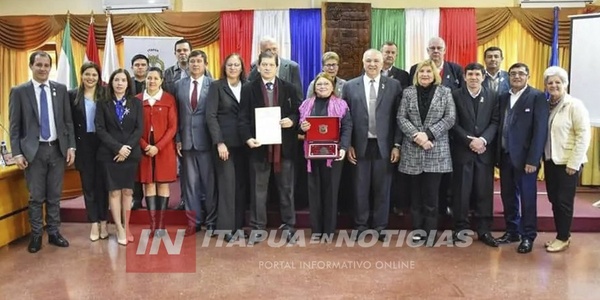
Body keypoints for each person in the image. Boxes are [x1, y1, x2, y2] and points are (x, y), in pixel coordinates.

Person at [8, 51, 76, 253]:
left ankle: (54, 232)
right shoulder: (19, 91)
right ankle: (37, 235)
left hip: (56, 150)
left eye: (46, 65)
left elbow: (67, 121)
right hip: (33, 152)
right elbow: (14, 127)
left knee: (55, 196)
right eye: (39, 65)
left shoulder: (60, 89)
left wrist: (71, 146)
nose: (43, 69)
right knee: (36, 197)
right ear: (31, 66)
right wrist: (17, 153)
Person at [238, 51, 301, 243]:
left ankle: (289, 226)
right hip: (258, 147)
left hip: (285, 148)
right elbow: (242, 118)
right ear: (258, 67)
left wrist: (292, 120)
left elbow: (299, 112)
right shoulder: (249, 89)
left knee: (286, 188)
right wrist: (248, 138)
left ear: (277, 67)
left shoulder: (289, 88)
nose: (267, 68)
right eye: (263, 65)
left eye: (270, 65)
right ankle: (258, 227)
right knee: (258, 189)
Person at [342, 49, 402, 241]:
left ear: (382, 61)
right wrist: (348, 144)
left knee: (382, 188)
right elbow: (346, 118)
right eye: (369, 61)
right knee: (360, 188)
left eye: (376, 60)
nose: (373, 64)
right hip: (359, 145)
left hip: (384, 146)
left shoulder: (394, 85)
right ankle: (360, 226)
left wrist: (396, 145)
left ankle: (380, 227)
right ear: (363, 61)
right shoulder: (350, 86)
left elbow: (399, 118)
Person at [397, 59, 455, 243]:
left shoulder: (445, 92)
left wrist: (428, 135)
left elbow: (450, 118)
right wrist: (417, 136)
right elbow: (401, 117)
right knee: (415, 196)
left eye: (428, 72)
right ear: (416, 74)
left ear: (435, 74)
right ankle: (417, 230)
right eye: (421, 72)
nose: (425, 75)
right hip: (413, 150)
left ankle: (430, 232)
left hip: (436, 151)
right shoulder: (408, 92)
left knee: (431, 196)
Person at [496, 62, 549, 254]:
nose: (516, 77)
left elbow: (540, 131)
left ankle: (528, 236)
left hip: (526, 160)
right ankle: (512, 231)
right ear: (508, 76)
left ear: (528, 76)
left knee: (528, 199)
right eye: (513, 74)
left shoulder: (537, 97)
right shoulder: (503, 97)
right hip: (505, 156)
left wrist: (533, 160)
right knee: (508, 197)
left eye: (521, 73)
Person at [542, 66, 591, 253]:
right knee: (554, 200)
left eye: (558, 82)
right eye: (550, 82)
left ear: (565, 84)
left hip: (568, 163)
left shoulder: (574, 105)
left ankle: (563, 237)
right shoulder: (547, 105)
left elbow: (583, 135)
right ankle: (562, 234)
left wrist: (574, 163)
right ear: (545, 85)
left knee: (564, 201)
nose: (553, 85)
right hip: (551, 160)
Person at [450, 63, 499, 247]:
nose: (473, 77)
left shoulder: (493, 96)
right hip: (463, 151)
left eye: (477, 74)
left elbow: (495, 122)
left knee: (484, 192)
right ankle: (460, 229)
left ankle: (484, 230)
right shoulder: (455, 95)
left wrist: (483, 140)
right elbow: (453, 122)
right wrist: (469, 140)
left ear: (483, 76)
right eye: (470, 74)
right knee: (461, 193)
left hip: (484, 152)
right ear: (464, 76)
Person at [299, 72, 352, 237]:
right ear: (314, 87)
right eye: (319, 84)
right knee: (314, 191)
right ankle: (316, 230)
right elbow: (299, 129)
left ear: (333, 87)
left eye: (326, 84)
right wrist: (302, 128)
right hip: (312, 154)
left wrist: (343, 148)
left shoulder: (342, 105)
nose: (322, 87)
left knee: (331, 192)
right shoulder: (306, 104)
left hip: (334, 156)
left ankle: (329, 230)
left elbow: (347, 127)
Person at [95, 69, 144, 246]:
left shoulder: (136, 103)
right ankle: (118, 227)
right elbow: (100, 129)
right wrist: (118, 148)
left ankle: (127, 225)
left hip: (130, 154)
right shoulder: (103, 103)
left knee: (128, 191)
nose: (120, 83)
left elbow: (139, 129)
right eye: (116, 80)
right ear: (111, 82)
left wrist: (127, 148)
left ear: (128, 83)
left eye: (123, 80)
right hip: (110, 154)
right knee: (114, 191)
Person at [206, 53, 249, 242]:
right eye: (229, 65)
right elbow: (211, 116)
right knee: (227, 185)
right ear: (225, 67)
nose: (233, 68)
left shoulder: (248, 87)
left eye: (236, 65)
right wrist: (219, 142)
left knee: (240, 185)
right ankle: (225, 229)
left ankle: (238, 226)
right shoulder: (217, 86)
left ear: (241, 68)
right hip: (225, 145)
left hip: (246, 144)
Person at [173, 50, 216, 235]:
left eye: (199, 61)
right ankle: (194, 221)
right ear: (187, 64)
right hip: (186, 142)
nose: (195, 64)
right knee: (190, 184)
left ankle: (212, 222)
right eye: (192, 61)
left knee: (210, 184)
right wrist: (177, 138)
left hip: (207, 141)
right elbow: (175, 114)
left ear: (205, 64)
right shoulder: (178, 85)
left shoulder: (213, 85)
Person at [68, 62, 108, 242]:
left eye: (94, 75)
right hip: (83, 145)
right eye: (87, 74)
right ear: (81, 76)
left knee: (103, 185)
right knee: (89, 186)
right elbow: (67, 123)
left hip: (103, 144)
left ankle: (104, 221)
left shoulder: (105, 95)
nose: (90, 78)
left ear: (98, 78)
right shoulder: (71, 96)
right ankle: (94, 223)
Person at [137, 67, 178, 236]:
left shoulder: (169, 100)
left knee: (163, 183)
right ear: (144, 80)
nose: (152, 81)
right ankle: (153, 225)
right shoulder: (137, 100)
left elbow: (173, 127)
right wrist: (144, 145)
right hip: (144, 148)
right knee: (149, 184)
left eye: (155, 78)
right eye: (149, 78)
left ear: (162, 80)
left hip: (164, 148)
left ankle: (161, 226)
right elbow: (134, 127)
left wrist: (158, 147)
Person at [248, 36, 303, 101]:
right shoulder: (255, 65)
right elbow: (250, 89)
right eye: (268, 50)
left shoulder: (292, 67)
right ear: (261, 51)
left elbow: (298, 96)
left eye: (274, 49)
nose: (272, 52)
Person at [129, 54, 149, 210]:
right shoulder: (126, 83)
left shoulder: (154, 82)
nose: (140, 67)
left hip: (150, 132)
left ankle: (151, 198)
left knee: (149, 166)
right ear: (132, 67)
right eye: (137, 65)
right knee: (135, 167)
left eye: (143, 64)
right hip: (131, 132)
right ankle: (137, 198)